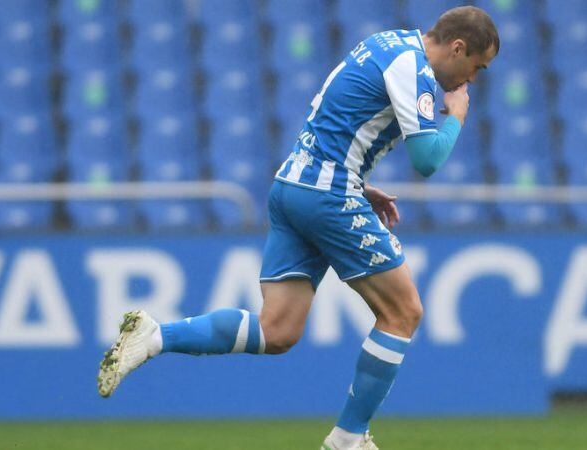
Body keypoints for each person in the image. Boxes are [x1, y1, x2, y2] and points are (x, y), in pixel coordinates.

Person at [96, 6, 499, 450]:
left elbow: (339, 118)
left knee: (277, 329)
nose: (472, 81)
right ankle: (348, 438)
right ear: (458, 48)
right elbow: (427, 160)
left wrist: (359, 184)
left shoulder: (389, 42)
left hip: (293, 186)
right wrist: (456, 114)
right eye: (477, 68)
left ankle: (154, 337)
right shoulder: (415, 68)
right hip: (328, 194)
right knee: (404, 312)